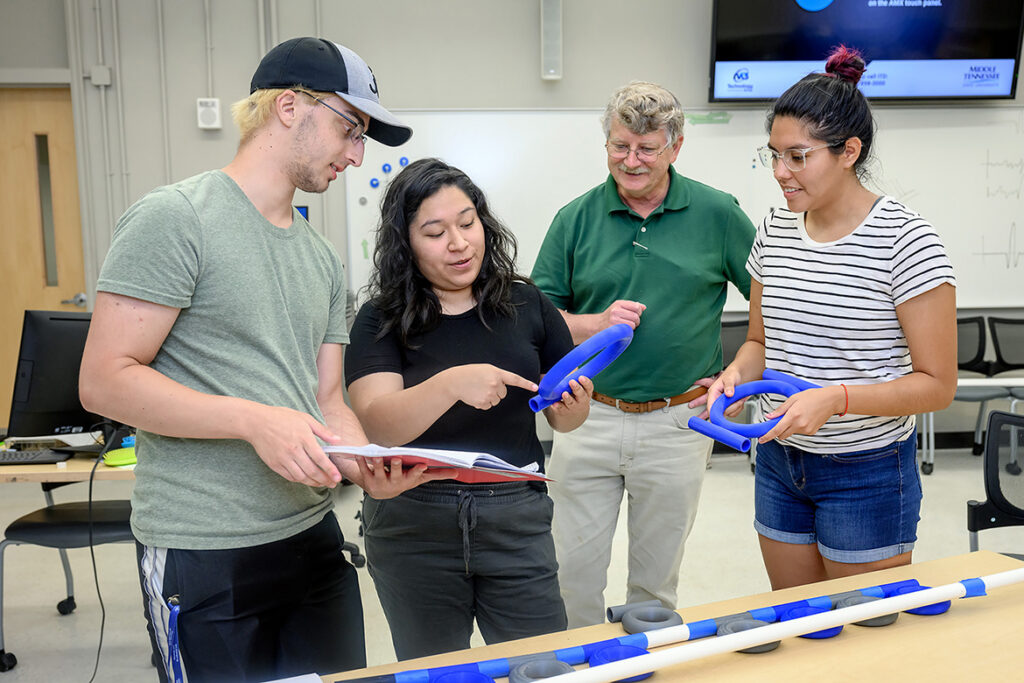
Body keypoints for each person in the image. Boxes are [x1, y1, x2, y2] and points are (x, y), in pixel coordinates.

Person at [78, 37, 454, 683]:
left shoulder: (322, 257)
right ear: (288, 106)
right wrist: (255, 420)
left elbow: (327, 398)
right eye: (349, 128)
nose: (357, 154)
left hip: (311, 538)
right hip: (203, 549)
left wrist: (363, 464)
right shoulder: (176, 218)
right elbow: (103, 382)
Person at [706, 46, 957, 590]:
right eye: (772, 155)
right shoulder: (774, 228)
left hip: (865, 468)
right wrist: (735, 377)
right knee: (802, 627)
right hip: (778, 456)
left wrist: (836, 398)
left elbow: (937, 386)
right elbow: (758, 342)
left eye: (798, 157)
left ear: (849, 151)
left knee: (864, 641)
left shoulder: (905, 240)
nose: (780, 173)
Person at [344, 158, 593, 660]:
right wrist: (452, 384)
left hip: (515, 513)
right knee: (436, 670)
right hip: (413, 518)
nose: (459, 243)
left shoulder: (526, 303)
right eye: (435, 232)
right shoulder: (380, 318)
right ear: (406, 244)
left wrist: (572, 406)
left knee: (543, 664)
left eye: (467, 223)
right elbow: (379, 422)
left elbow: (564, 416)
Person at [530, 81, 757, 627]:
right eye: (619, 145)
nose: (630, 161)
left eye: (646, 148)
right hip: (587, 418)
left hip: (679, 421)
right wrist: (592, 324)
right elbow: (532, 321)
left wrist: (738, 371)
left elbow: (772, 302)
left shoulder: (719, 214)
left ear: (675, 147)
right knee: (569, 574)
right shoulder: (575, 219)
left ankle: (641, 664)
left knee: (655, 585)